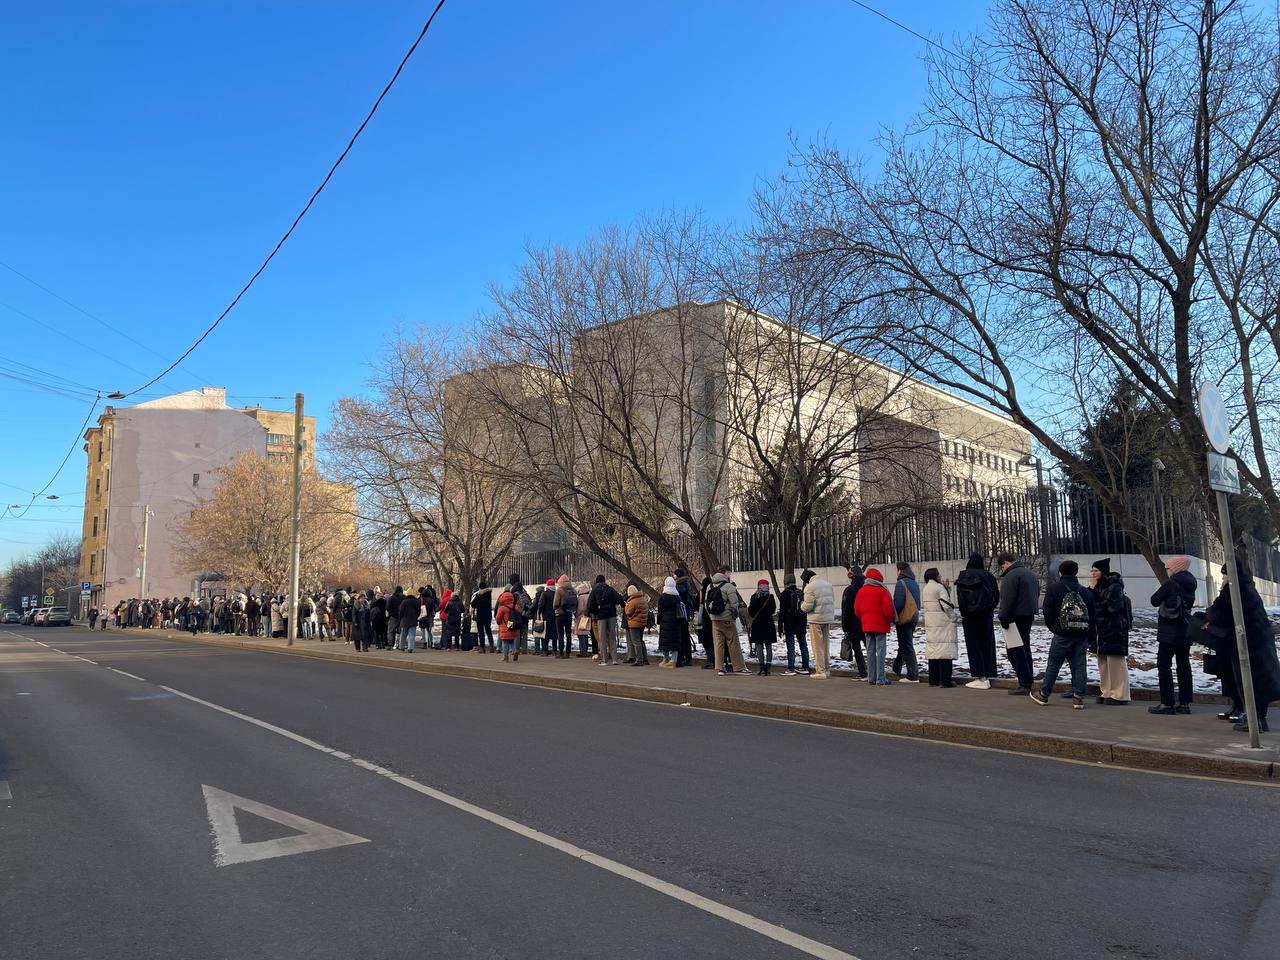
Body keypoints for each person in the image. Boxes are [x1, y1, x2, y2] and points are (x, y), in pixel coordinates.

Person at [1209, 560, 1280, 733]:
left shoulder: (1233, 590)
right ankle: (1259, 720)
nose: (1223, 578)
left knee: (1247, 681)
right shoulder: (1249, 587)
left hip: (1245, 642)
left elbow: (1218, 614)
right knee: (1259, 681)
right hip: (1261, 641)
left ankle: (1253, 721)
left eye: (1224, 574)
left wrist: (1208, 615)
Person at [1030, 560, 1094, 708]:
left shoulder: (1055, 589)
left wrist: (1054, 627)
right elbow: (1092, 615)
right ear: (1076, 572)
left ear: (1060, 572)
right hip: (1081, 634)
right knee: (1079, 665)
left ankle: (1044, 694)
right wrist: (1089, 634)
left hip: (1062, 633)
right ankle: (1078, 697)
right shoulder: (1084, 591)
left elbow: (1047, 610)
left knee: (1054, 664)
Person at [1148, 556, 1198, 715]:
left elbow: (1154, 600)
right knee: (1183, 665)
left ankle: (1167, 703)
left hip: (1169, 631)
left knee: (1164, 665)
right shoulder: (1191, 584)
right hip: (1185, 631)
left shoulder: (1171, 584)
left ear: (1175, 569)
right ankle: (1185, 703)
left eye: (1168, 568)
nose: (1167, 571)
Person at [1089, 558, 1131, 704]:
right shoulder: (1099, 586)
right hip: (1101, 630)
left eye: (1096, 570)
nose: (1093, 573)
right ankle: (1107, 691)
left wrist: (1093, 592)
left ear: (1103, 572)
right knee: (1103, 662)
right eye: (1092, 570)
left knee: (1115, 663)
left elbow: (1109, 608)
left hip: (1113, 629)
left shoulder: (1114, 587)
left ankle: (1120, 694)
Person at [954, 552, 999, 689]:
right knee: (988, 643)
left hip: (969, 617)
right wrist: (989, 608)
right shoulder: (988, 576)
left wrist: (965, 611)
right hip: (986, 615)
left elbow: (960, 598)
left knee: (973, 645)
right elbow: (996, 596)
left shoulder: (963, 576)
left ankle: (979, 675)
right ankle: (990, 672)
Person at [996, 552, 1039, 694]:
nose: (1002, 569)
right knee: (1025, 649)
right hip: (1028, 615)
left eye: (1002, 566)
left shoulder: (1011, 576)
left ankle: (1024, 684)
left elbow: (1007, 599)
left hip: (1015, 618)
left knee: (1015, 651)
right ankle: (1028, 680)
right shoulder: (1030, 574)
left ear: (1006, 563)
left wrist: (1003, 618)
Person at [854, 568, 896, 685]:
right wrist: (890, 620)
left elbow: (857, 610)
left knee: (870, 651)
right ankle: (880, 678)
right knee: (881, 651)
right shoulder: (883, 591)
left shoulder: (861, 591)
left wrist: (865, 620)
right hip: (881, 626)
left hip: (867, 626)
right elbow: (888, 611)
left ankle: (871, 677)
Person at [706, 566, 747, 675]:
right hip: (727, 619)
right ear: (726, 573)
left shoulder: (709, 586)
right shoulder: (729, 586)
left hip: (715, 619)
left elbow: (706, 604)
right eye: (729, 573)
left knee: (718, 644)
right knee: (733, 642)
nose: (730, 575)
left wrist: (711, 615)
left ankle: (720, 668)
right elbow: (734, 604)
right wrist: (734, 616)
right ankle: (738, 667)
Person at [921, 568, 958, 687]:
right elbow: (945, 605)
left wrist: (946, 589)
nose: (940, 576)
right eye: (939, 575)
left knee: (934, 650)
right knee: (945, 651)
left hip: (931, 622)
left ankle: (934, 679)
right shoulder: (939, 587)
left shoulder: (926, 588)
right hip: (943, 622)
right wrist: (953, 617)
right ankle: (945, 681)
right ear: (935, 576)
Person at [800, 568, 835, 679]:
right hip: (827, 617)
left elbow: (808, 606)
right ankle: (827, 669)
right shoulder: (828, 585)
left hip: (815, 618)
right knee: (825, 645)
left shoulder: (809, 587)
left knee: (817, 646)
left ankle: (820, 671)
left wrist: (801, 605)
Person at [891, 561, 922, 683]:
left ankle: (913, 675)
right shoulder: (914, 582)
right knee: (904, 643)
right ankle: (896, 668)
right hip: (913, 616)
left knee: (907, 645)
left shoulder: (901, 583)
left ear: (899, 570)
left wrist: (894, 615)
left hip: (904, 618)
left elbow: (898, 604)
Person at [778, 573, 811, 675]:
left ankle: (791, 668)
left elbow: (782, 612)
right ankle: (806, 667)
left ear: (785, 582)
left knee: (791, 646)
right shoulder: (801, 592)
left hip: (790, 623)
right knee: (803, 645)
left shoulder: (784, 594)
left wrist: (780, 626)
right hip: (801, 622)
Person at [587, 575, 624, 665]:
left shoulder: (594, 590)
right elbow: (618, 599)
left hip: (601, 617)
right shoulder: (610, 589)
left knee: (602, 638)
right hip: (611, 615)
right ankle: (615, 659)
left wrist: (595, 613)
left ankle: (604, 660)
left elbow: (590, 606)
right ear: (604, 581)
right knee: (612, 637)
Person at [840, 565, 868, 679]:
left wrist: (845, 627)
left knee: (857, 649)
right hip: (866, 622)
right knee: (870, 647)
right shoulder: (865, 588)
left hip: (853, 624)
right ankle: (874, 669)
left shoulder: (849, 590)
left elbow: (845, 610)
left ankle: (863, 672)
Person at [747, 579, 777, 676]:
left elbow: (751, 612)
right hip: (768, 624)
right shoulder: (770, 597)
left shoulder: (754, 597)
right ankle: (768, 668)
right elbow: (773, 610)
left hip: (758, 624)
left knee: (759, 646)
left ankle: (761, 667)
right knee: (768, 646)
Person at [656, 576, 686, 667]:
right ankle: (674, 660)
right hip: (676, 621)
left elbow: (660, 611)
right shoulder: (677, 596)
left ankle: (665, 659)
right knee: (674, 641)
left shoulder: (663, 597)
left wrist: (658, 621)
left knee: (664, 641)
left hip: (665, 620)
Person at [673, 567, 697, 667]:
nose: (673, 576)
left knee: (682, 636)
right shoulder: (687, 584)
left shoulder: (679, 586)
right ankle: (688, 657)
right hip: (686, 613)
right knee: (685, 636)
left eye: (674, 574)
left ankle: (682, 657)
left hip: (681, 614)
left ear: (678, 576)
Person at [623, 584, 650, 665]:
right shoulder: (642, 599)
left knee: (636, 642)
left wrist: (626, 606)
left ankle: (639, 660)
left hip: (634, 624)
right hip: (642, 623)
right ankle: (645, 659)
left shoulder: (632, 601)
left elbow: (628, 612)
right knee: (641, 641)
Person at [552, 575, 576, 659]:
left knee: (560, 634)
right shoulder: (573, 590)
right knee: (568, 634)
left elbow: (555, 604)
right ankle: (568, 652)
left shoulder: (560, 590)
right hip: (569, 614)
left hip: (560, 615)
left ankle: (561, 652)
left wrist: (556, 608)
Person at [495, 588, 519, 662]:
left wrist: (499, 623)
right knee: (511, 640)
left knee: (505, 642)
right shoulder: (514, 606)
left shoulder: (502, 608)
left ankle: (505, 657)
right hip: (512, 627)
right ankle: (514, 650)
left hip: (505, 628)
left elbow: (498, 618)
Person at [398, 587, 421, 652]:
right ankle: (410, 648)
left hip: (404, 620)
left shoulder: (404, 601)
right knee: (412, 634)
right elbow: (418, 611)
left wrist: (400, 618)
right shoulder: (416, 601)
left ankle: (401, 646)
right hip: (413, 620)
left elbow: (401, 611)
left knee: (403, 634)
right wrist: (417, 616)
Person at [574, 580, 593, 656]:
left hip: (581, 618)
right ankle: (586, 650)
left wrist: (576, 614)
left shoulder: (580, 598)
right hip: (588, 617)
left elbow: (580, 608)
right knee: (586, 634)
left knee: (581, 635)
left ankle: (583, 651)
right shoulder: (589, 596)